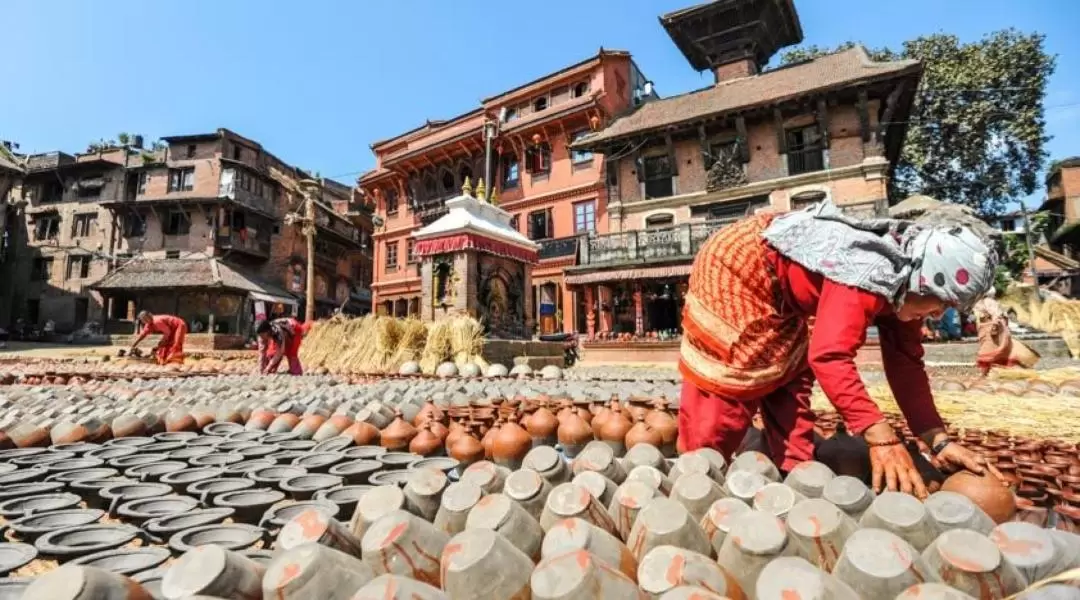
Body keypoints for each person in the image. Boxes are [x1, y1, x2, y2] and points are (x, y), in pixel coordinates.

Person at [679, 200, 997, 499]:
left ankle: (793, 478)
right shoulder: (867, 272)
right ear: (925, 283)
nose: (940, 315)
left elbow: (906, 366)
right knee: (733, 383)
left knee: (790, 375)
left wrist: (937, 441)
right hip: (739, 264)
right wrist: (878, 435)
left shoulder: (906, 288)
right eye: (942, 303)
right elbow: (830, 357)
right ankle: (698, 478)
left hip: (785, 291)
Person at [973, 288, 1038, 375]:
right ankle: (990, 372)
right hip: (988, 330)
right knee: (994, 352)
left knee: (989, 352)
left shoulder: (988, 302)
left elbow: (997, 315)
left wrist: (994, 327)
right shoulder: (984, 302)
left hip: (992, 331)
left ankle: (986, 373)